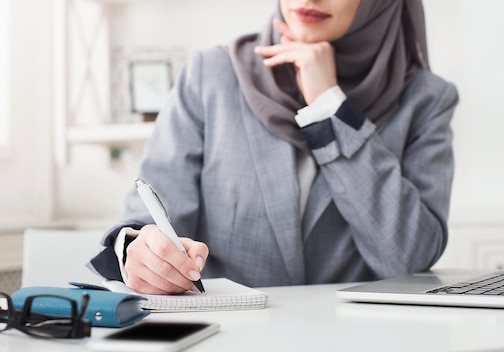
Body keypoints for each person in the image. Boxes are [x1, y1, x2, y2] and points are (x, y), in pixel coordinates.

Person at [89, 0, 459, 295]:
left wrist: (329, 105)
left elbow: (409, 257)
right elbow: (148, 219)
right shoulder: (212, 75)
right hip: (228, 338)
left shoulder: (426, 100)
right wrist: (136, 250)